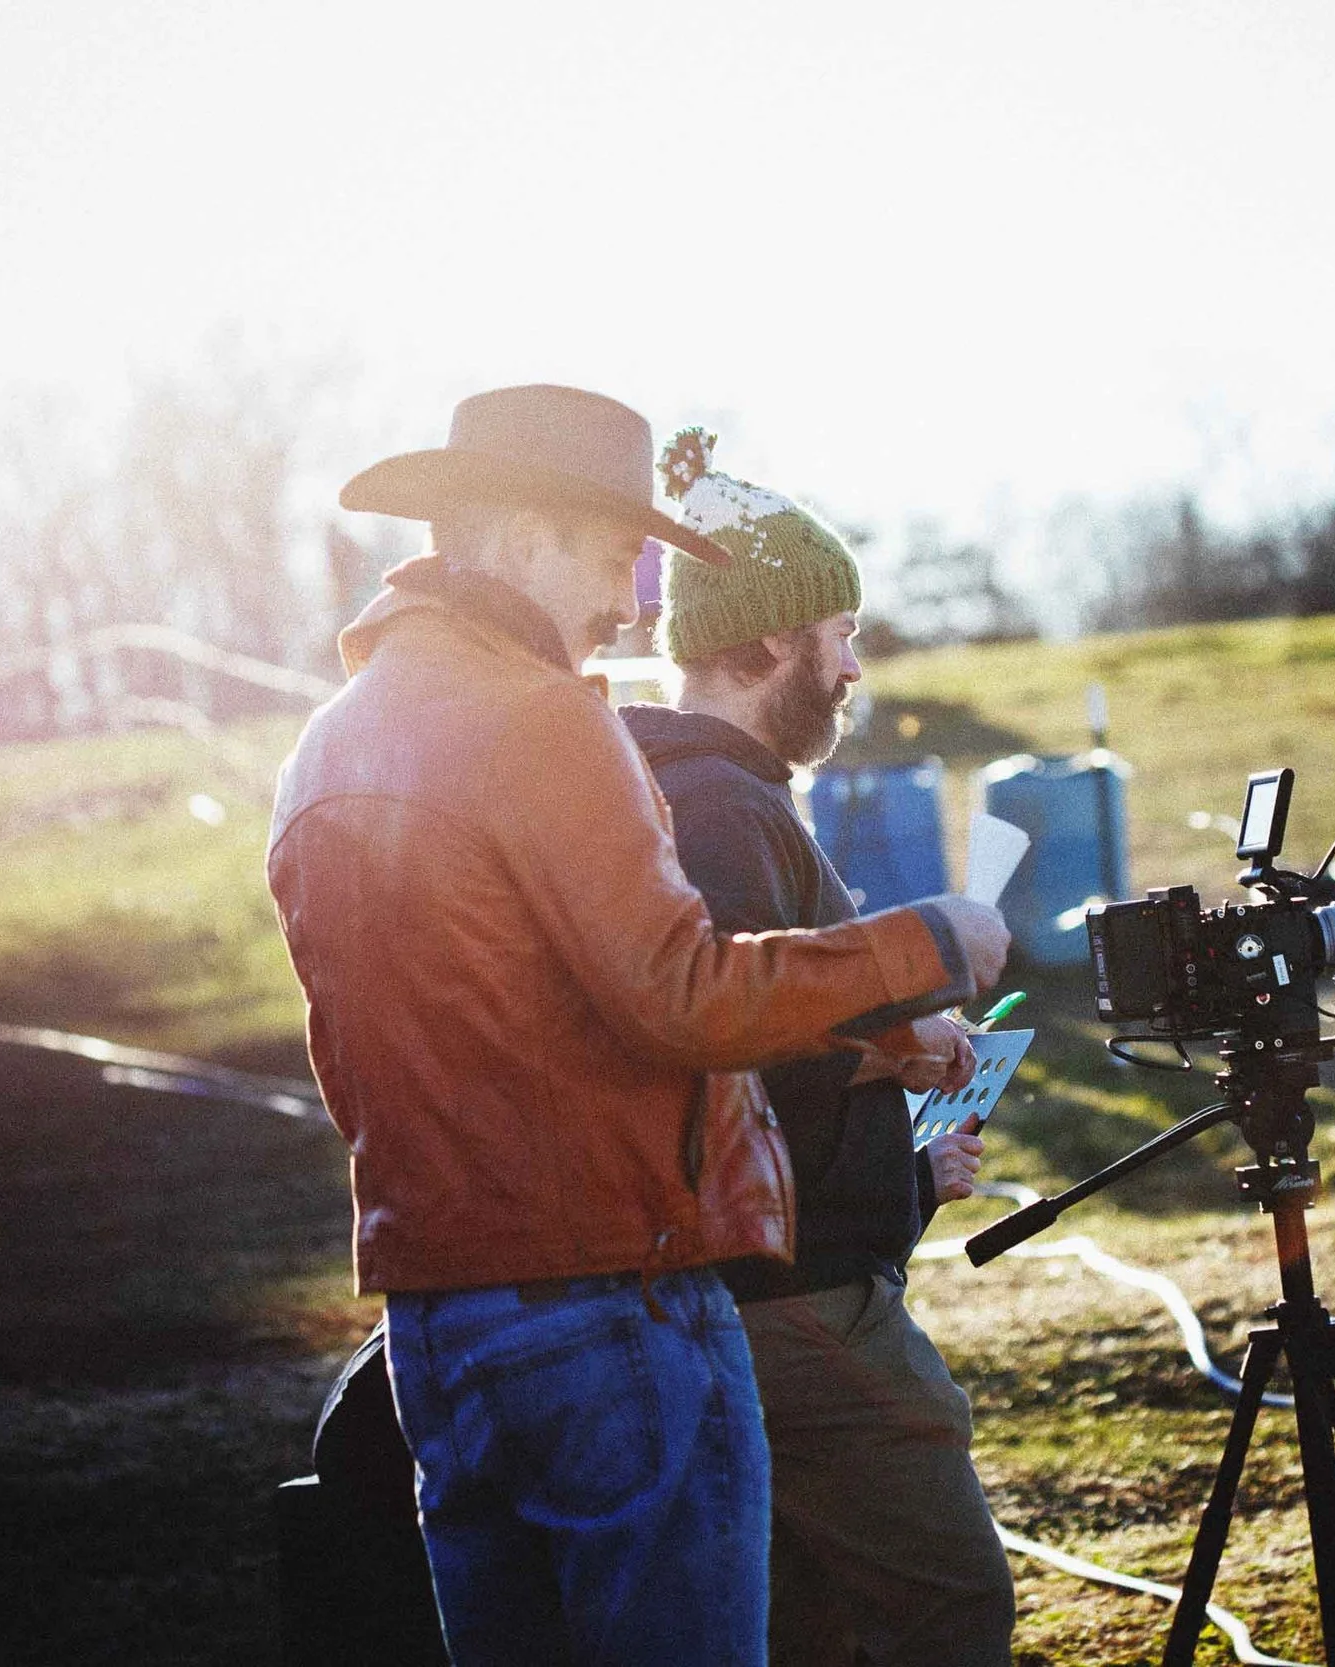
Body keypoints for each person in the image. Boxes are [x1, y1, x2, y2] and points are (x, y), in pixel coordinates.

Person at [266, 385, 1011, 1667]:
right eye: (616, 553)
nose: (629, 599)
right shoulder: (543, 717)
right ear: (522, 534)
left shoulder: (325, 749)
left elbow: (523, 1027)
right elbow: (682, 995)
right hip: (612, 1306)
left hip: (434, 1326)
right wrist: (929, 941)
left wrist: (866, 1048)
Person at [619, 428, 1017, 1667]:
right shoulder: (722, 813)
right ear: (759, 644)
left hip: (772, 1287)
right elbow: (729, 1044)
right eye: (835, 634)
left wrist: (902, 1161)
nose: (852, 667)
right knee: (947, 1607)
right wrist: (899, 1040)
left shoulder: (704, 796)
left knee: (809, 1624)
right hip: (793, 1307)